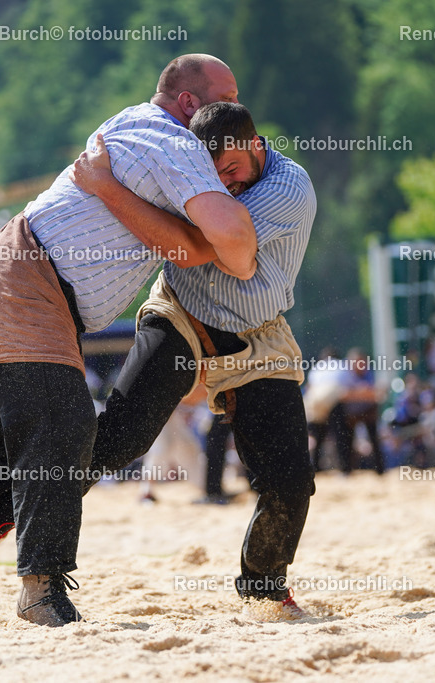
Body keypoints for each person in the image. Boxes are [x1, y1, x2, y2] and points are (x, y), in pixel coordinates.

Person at [0, 54, 258, 627]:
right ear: (191, 104)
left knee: (10, 451)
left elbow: (194, 247)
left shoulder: (145, 132)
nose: (236, 112)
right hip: (30, 283)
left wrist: (155, 218)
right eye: (227, 97)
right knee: (63, 433)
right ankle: (40, 592)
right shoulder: (174, 142)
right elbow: (230, 238)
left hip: (23, 281)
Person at [72, 101, 317, 617]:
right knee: (120, 438)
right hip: (181, 309)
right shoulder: (201, 165)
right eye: (213, 175)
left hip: (257, 335)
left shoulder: (289, 187)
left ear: (256, 146)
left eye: (230, 171)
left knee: (291, 484)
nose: (223, 185)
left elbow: (213, 244)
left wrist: (111, 190)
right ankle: (0, 512)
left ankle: (263, 587)